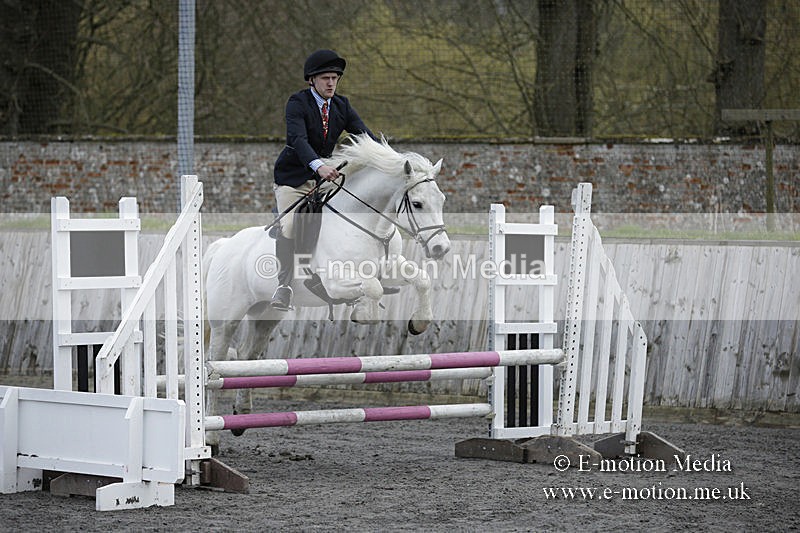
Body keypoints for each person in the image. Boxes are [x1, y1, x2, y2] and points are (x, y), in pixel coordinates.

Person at [270, 49, 377, 311]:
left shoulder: (342, 105)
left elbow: (364, 136)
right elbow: (298, 140)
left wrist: (389, 159)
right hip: (293, 179)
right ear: (312, 80)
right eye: (326, 78)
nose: (331, 83)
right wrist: (319, 166)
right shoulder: (297, 103)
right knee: (291, 225)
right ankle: (283, 286)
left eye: (335, 78)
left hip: (324, 178)